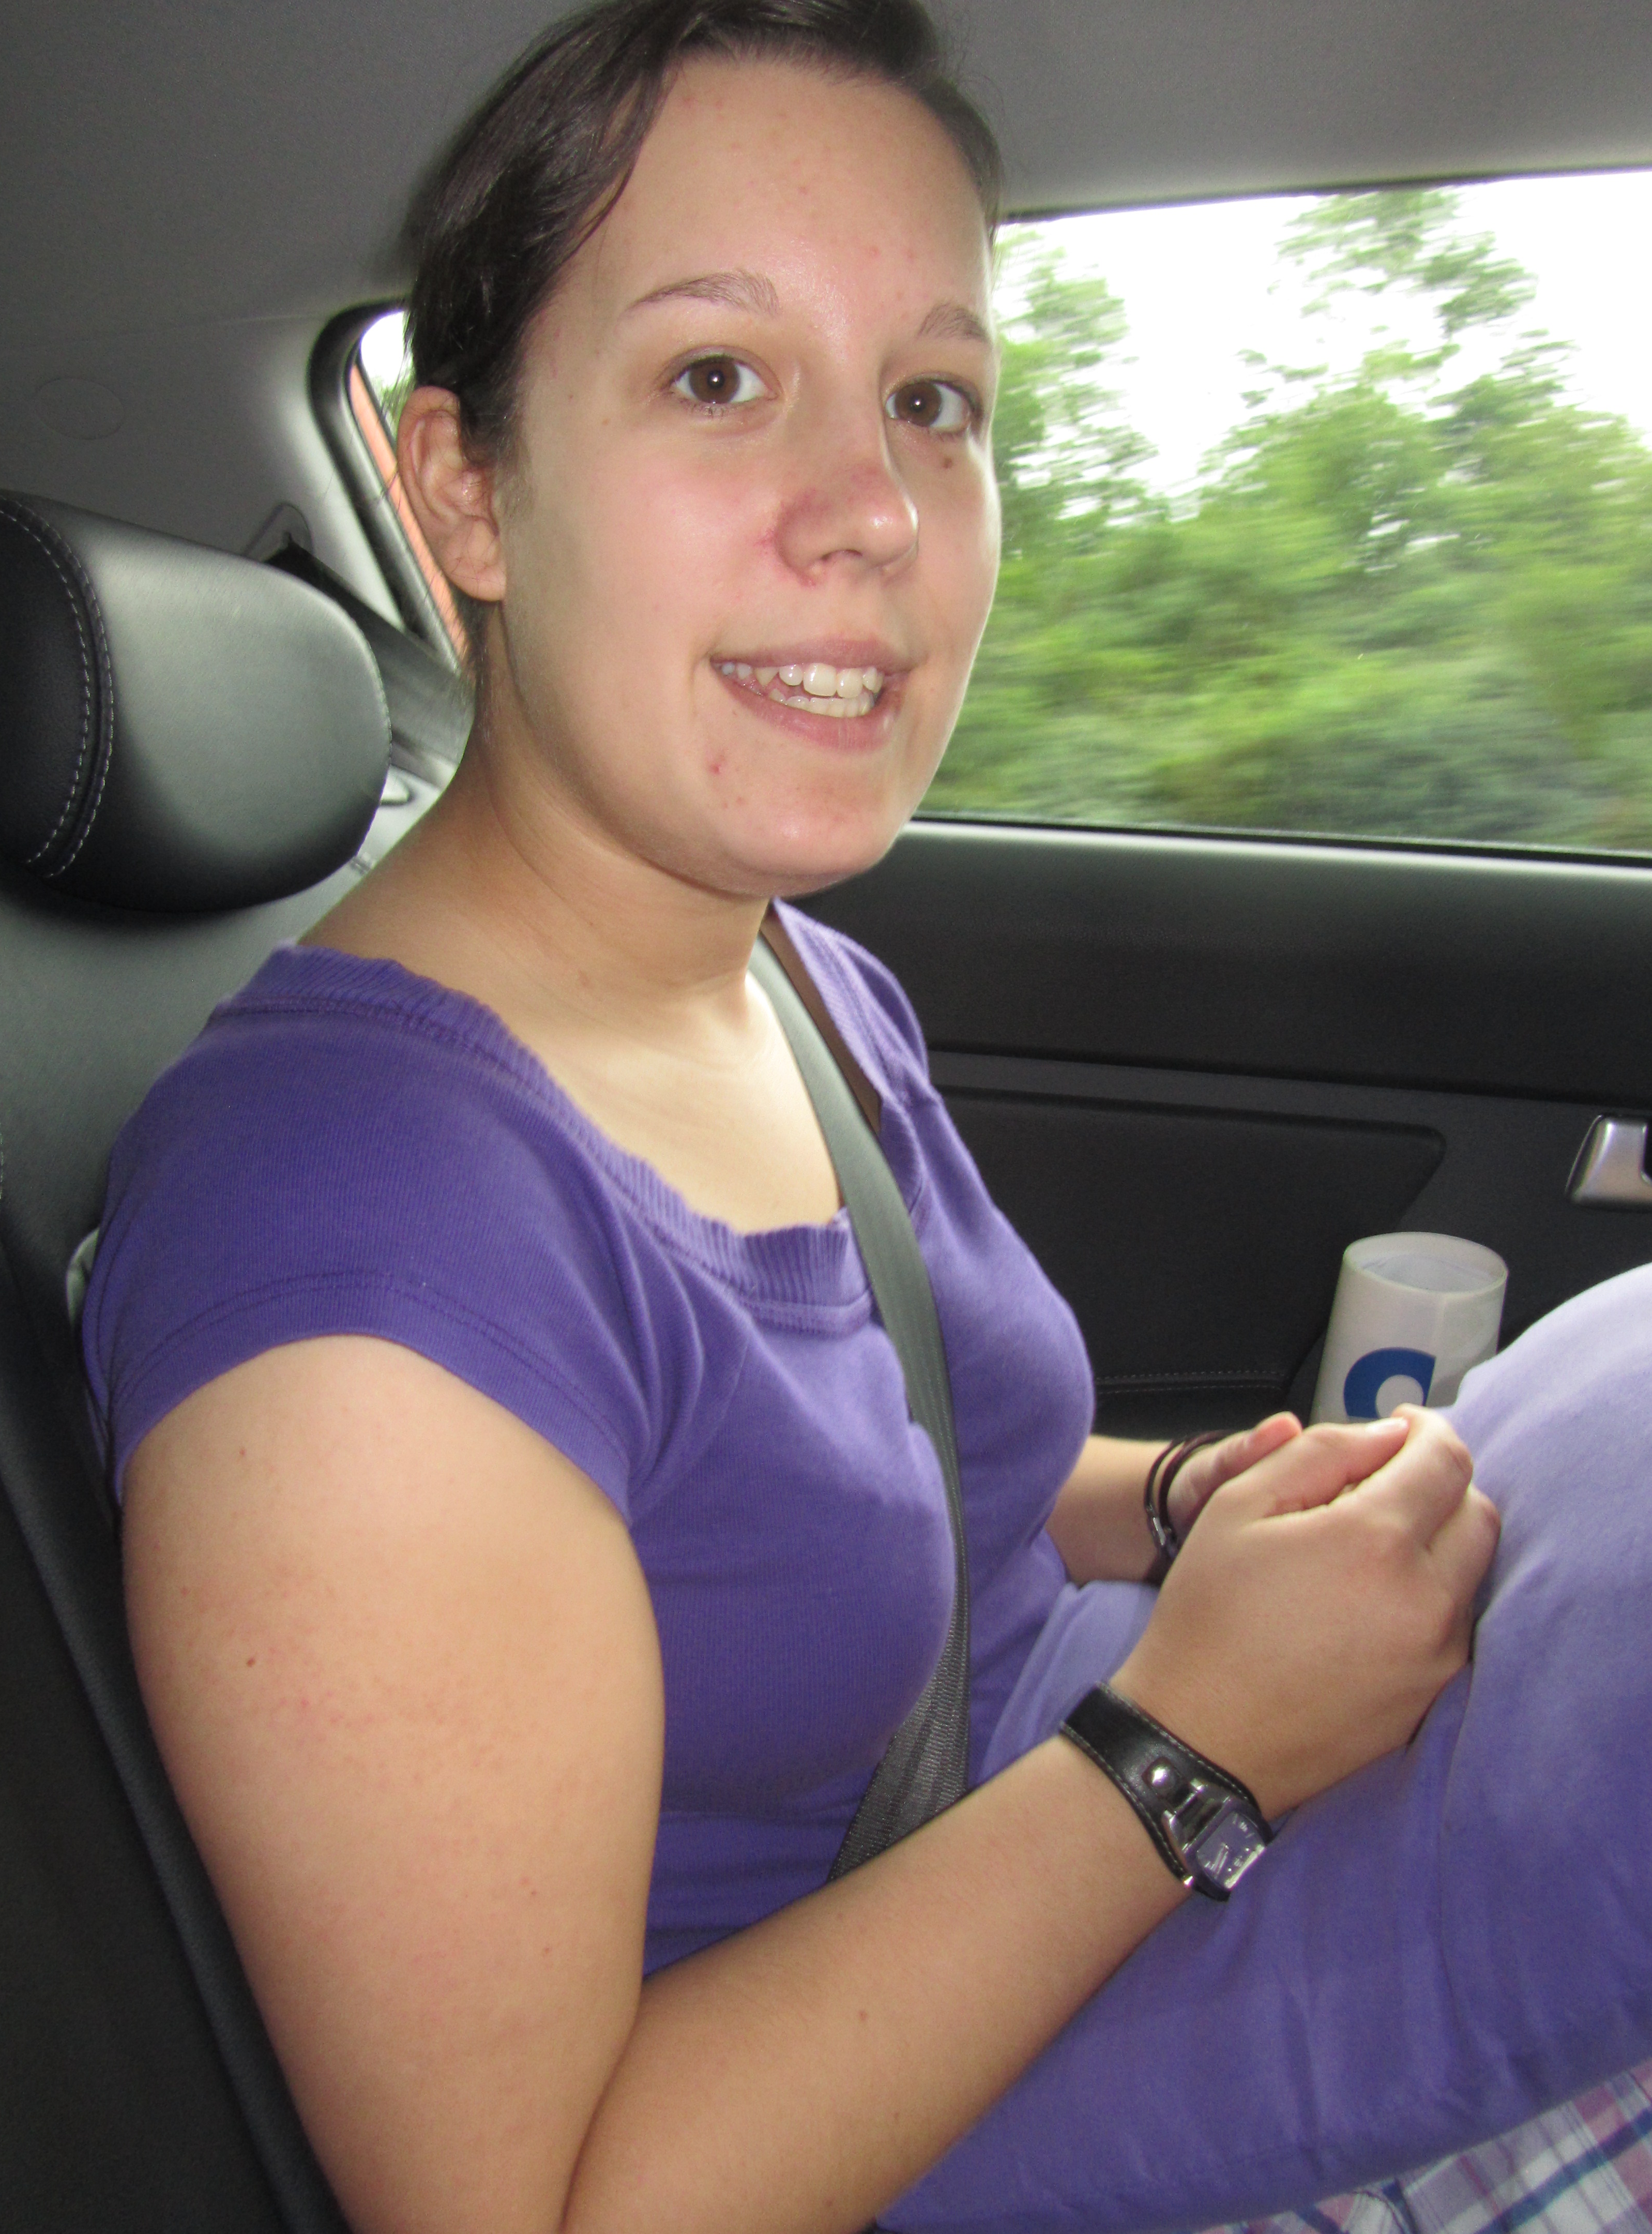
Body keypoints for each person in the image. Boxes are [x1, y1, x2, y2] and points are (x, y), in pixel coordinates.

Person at [80, 4, 1651, 2231]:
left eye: (935, 401)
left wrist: (1181, 1503)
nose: (880, 515)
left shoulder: (783, 970)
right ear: (463, 491)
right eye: (720, 376)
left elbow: (905, 1496)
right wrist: (1191, 1744)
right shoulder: (351, 1265)